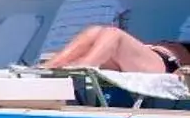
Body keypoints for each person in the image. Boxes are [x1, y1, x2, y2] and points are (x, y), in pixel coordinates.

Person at [47, 26, 190, 73]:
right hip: (152, 54)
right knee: (94, 31)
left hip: (166, 65)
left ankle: (83, 67)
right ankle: (46, 69)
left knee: (114, 34)